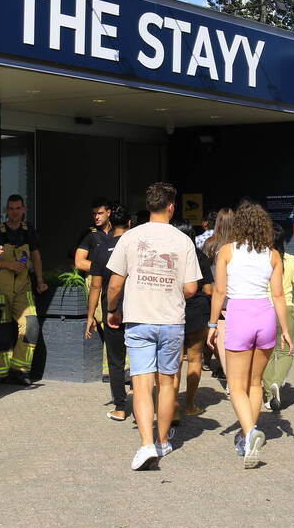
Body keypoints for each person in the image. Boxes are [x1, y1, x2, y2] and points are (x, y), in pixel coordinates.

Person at [106, 183, 201, 470]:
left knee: (141, 383)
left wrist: (112, 309)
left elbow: (114, 284)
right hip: (171, 321)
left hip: (138, 319)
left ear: (149, 206)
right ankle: (162, 441)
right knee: (167, 382)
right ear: (171, 206)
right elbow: (191, 288)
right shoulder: (183, 240)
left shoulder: (130, 237)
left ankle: (146, 444)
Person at [208, 202, 292, 469]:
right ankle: (247, 436)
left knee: (235, 385)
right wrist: (285, 330)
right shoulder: (273, 255)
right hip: (265, 316)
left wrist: (212, 323)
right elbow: (278, 295)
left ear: (238, 225)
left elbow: (219, 292)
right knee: (255, 383)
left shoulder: (227, 251)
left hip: (239, 315)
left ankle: (250, 432)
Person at [0, 194, 47, 387]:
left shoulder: (28, 230)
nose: (14, 212)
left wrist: (40, 280)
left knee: (31, 325)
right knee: (2, 329)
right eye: (11, 209)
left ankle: (20, 370)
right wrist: (9, 265)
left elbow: (36, 256)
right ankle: (4, 372)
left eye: (18, 208)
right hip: (1, 286)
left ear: (23, 210)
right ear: (7, 210)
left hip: (23, 286)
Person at [85, 204, 132, 421]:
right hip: (136, 310)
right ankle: (142, 401)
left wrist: (90, 316)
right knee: (140, 358)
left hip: (111, 311)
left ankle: (120, 407)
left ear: (111, 223)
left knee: (115, 361)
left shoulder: (102, 248)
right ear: (130, 223)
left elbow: (96, 286)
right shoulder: (136, 246)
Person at [172, 220, 214, 418]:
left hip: (173, 310)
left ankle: (172, 407)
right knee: (195, 358)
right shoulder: (200, 257)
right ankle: (189, 405)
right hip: (197, 311)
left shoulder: (169, 257)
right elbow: (208, 289)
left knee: (174, 360)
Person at [262, 225, 294, 413]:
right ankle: (277, 382)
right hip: (285, 307)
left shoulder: (262, 260)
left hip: (265, 308)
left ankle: (269, 395)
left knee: (267, 353)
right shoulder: (293, 260)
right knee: (286, 352)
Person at [203, 207, 235, 380]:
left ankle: (222, 366)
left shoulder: (209, 243)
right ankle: (229, 368)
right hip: (233, 294)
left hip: (213, 292)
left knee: (215, 332)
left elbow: (204, 269)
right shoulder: (238, 245)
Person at [74, 197, 113, 272]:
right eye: (94, 214)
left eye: (100, 213)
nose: (96, 217)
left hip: (115, 278)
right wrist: (106, 268)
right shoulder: (89, 233)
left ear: (108, 213)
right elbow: (79, 263)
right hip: (95, 277)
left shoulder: (116, 230)